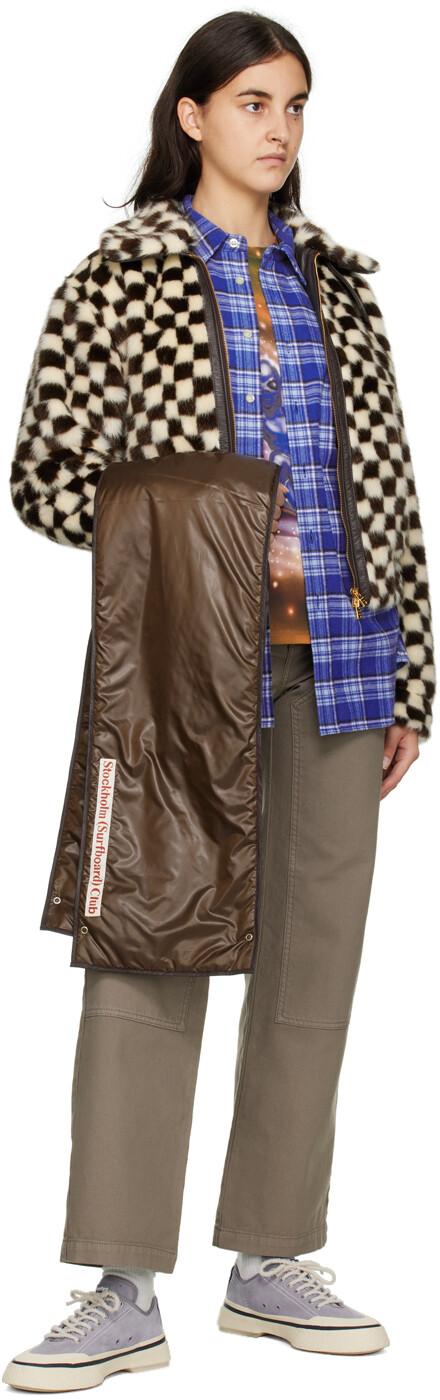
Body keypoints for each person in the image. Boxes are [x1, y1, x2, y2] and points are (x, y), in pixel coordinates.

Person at [3, 9, 436, 1389]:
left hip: (341, 666)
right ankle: (121, 1287)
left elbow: (393, 494)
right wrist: (210, 535)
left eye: (296, 105)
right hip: (183, 671)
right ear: (191, 115)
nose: (279, 129)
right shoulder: (121, 276)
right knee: (148, 953)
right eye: (253, 101)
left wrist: (414, 675)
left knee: (314, 972)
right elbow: (44, 476)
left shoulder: (339, 287)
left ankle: (270, 1261)